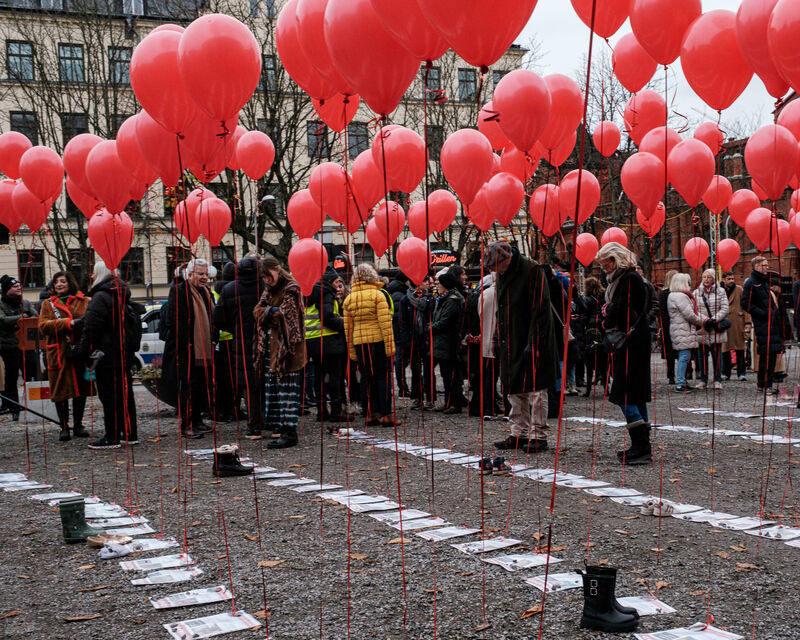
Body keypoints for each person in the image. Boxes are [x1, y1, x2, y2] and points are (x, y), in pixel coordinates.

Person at [488, 241, 557, 453]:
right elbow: (501, 308)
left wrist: (534, 341)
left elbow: (540, 309)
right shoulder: (503, 274)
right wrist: (497, 336)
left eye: (496, 266)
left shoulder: (532, 269)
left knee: (536, 388)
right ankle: (519, 432)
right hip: (511, 337)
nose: (495, 270)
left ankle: (538, 435)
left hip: (531, 336)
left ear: (506, 259)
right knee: (513, 388)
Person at [596, 242, 652, 465]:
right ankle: (642, 445)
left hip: (631, 341)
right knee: (635, 393)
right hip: (634, 339)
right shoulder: (627, 278)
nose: (604, 268)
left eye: (606, 263)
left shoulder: (628, 279)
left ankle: (642, 444)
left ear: (616, 259)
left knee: (623, 393)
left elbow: (620, 309)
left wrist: (606, 315)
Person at [79, 262, 140, 449]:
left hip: (105, 355)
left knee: (109, 396)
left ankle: (111, 436)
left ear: (99, 274)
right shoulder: (122, 294)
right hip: (123, 353)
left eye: (93, 272)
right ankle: (129, 433)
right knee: (125, 394)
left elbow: (91, 328)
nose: (91, 276)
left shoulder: (100, 297)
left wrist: (85, 352)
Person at [254, 256, 307, 448]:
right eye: (264, 277)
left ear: (277, 269)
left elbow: (286, 316)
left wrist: (268, 313)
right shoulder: (269, 290)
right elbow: (257, 311)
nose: (267, 280)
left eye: (268, 275)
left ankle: (289, 432)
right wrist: (269, 312)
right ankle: (281, 428)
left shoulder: (291, 288)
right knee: (277, 389)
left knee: (288, 390)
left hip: (289, 348)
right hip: (273, 347)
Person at [213, 256, 266, 438]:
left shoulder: (229, 289)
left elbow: (218, 318)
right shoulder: (265, 287)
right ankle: (271, 422)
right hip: (265, 339)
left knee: (249, 385)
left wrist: (234, 329)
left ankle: (254, 426)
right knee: (267, 381)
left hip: (241, 342)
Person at [162, 259, 215, 439]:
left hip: (204, 349)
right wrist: (186, 343)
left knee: (200, 386)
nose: (204, 277)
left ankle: (197, 419)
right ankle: (187, 424)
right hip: (186, 349)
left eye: (206, 274)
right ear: (190, 274)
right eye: (200, 274)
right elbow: (173, 320)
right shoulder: (179, 291)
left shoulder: (206, 292)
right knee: (188, 387)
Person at [38, 272, 93, 441]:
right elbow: (43, 326)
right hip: (59, 353)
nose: (59, 285)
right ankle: (63, 426)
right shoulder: (48, 304)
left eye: (63, 281)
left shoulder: (85, 301)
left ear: (70, 283)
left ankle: (78, 425)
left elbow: (92, 322)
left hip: (79, 351)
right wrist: (69, 323)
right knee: (60, 389)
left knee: (81, 389)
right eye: (56, 282)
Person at [342, 263, 397, 427]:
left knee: (366, 379)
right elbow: (385, 324)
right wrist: (390, 348)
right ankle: (386, 415)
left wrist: (352, 351)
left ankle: (369, 414)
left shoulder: (349, 299)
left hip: (360, 343)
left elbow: (348, 328)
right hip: (378, 341)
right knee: (383, 378)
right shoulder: (378, 295)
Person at [303, 268, 349, 428]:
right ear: (329, 282)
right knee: (335, 377)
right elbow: (327, 317)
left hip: (312, 340)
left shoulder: (310, 293)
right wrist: (345, 323)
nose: (338, 285)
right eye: (336, 281)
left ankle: (322, 411)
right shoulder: (326, 293)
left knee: (319, 376)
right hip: (329, 340)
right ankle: (336, 411)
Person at [743, 256, 789, 394]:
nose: (766, 268)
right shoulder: (751, 282)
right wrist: (763, 314)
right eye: (764, 265)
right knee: (766, 355)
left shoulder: (763, 281)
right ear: (756, 266)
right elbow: (746, 303)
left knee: (771, 354)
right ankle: (765, 384)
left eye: (767, 265)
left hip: (772, 323)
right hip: (763, 324)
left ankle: (764, 384)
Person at [0, 275, 38, 419]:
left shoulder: (25, 303)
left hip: (27, 346)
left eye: (19, 286)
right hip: (9, 347)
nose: (19, 288)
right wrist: (22, 319)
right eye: (15, 286)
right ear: (7, 290)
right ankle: (14, 408)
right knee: (11, 378)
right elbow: (3, 320)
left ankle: (33, 406)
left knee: (32, 375)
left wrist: (21, 321)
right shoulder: (1, 304)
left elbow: (35, 318)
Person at [432, 270, 466, 414]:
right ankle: (448, 402)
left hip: (450, 342)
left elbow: (445, 321)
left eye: (439, 284)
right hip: (444, 342)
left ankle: (455, 403)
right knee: (446, 374)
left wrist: (430, 328)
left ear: (445, 285)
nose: (437, 286)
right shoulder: (444, 299)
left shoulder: (451, 301)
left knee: (452, 375)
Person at [667, 273, 704, 393]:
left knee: (683, 356)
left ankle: (682, 381)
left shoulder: (673, 295)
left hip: (679, 328)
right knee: (684, 356)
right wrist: (704, 321)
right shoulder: (681, 296)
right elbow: (690, 314)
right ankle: (681, 383)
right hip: (683, 329)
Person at [693, 269, 729, 389]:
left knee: (717, 355)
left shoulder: (721, 291)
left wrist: (714, 320)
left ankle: (717, 379)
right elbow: (694, 310)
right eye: (704, 277)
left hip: (716, 327)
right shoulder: (696, 292)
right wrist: (705, 320)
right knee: (702, 356)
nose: (706, 279)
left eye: (709, 277)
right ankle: (703, 380)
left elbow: (725, 308)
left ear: (714, 279)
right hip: (703, 327)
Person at [404, 274, 436, 410]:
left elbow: (433, 317)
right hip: (413, 338)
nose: (427, 283)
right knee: (415, 369)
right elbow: (403, 322)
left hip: (427, 338)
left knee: (429, 369)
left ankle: (430, 398)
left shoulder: (430, 298)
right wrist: (406, 340)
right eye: (424, 281)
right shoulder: (406, 299)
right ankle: (417, 397)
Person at [475, 272, 502, 418]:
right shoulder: (504, 294)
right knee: (504, 377)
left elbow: (479, 314)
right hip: (501, 341)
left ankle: (487, 408)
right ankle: (506, 408)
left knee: (488, 376)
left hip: (486, 340)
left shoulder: (484, 294)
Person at [212, 262, 237, 423]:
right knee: (233, 379)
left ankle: (221, 411)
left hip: (218, 343)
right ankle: (231, 410)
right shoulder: (234, 290)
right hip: (232, 339)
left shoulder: (214, 293)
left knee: (220, 380)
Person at [387, 271, 412, 398]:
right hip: (400, 333)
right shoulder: (399, 294)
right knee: (401, 360)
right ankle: (402, 388)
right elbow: (398, 317)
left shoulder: (395, 291)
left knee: (401, 360)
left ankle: (403, 388)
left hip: (398, 332)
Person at [581, 277, 607, 397]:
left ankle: (589, 389)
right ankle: (605, 385)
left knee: (589, 359)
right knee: (603, 359)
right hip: (602, 327)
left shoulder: (587, 299)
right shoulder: (603, 296)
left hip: (591, 329)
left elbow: (585, 314)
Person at [722, 272, 749, 381]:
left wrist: (748, 322)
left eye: (733, 278)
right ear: (724, 280)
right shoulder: (720, 291)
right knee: (725, 349)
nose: (731, 281)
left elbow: (746, 307)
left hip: (738, 322)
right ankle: (725, 372)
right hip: (724, 323)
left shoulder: (739, 290)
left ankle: (741, 373)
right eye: (729, 279)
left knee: (740, 349)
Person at [658, 270, 678, 384]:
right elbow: (663, 311)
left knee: (676, 351)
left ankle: (674, 375)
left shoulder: (665, 293)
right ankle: (671, 375)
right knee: (671, 352)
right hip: (668, 325)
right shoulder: (664, 293)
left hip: (670, 324)